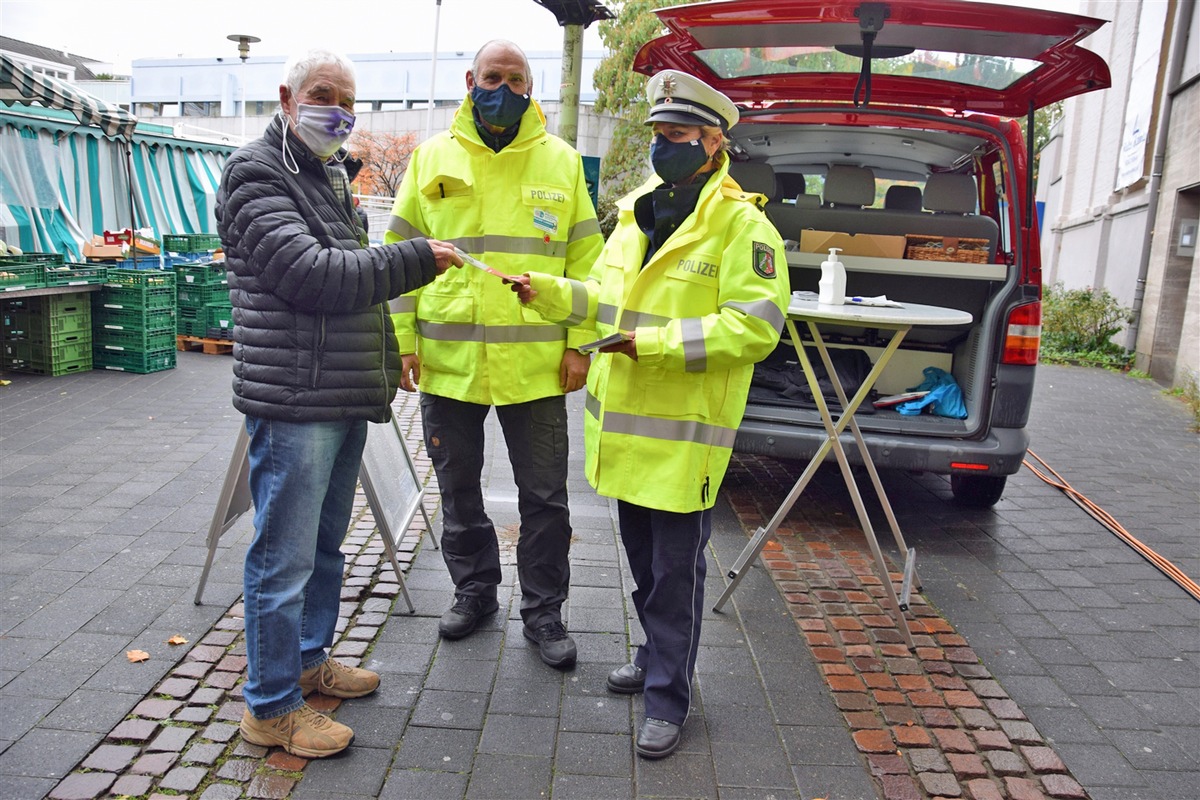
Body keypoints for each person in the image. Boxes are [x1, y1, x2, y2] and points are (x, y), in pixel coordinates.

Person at [509, 69, 790, 758]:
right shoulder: (638, 212)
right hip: (626, 431)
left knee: (675, 573)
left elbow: (756, 330)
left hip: (686, 436)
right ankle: (656, 657)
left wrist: (654, 345)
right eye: (657, 134)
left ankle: (671, 694)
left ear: (713, 141)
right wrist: (545, 292)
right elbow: (604, 302)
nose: (663, 145)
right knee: (644, 565)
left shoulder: (743, 226)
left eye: (676, 135)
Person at [215, 48, 462, 759]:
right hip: (294, 398)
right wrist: (416, 257)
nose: (339, 110)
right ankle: (269, 708)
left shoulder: (324, 174)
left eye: (350, 100)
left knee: (323, 548)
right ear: (287, 96)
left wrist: (384, 364)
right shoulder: (257, 171)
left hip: (336, 392)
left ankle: (307, 660)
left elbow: (350, 290)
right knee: (282, 558)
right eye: (325, 94)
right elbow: (313, 275)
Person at [384, 40, 604, 668]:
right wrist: (402, 344)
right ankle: (475, 592)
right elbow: (397, 262)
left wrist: (581, 347)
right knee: (457, 489)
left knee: (544, 497)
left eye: (514, 79)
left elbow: (589, 265)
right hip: (449, 365)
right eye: (491, 77)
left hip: (535, 368)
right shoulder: (430, 159)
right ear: (469, 80)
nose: (501, 89)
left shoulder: (561, 164)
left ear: (530, 88)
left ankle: (544, 612)